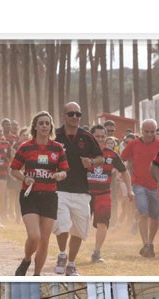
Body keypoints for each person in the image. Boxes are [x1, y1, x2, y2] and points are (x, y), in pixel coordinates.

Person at [10, 111, 68, 275]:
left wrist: (59, 175)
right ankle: (27, 259)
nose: (44, 126)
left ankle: (37, 275)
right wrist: (24, 178)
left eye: (47, 123)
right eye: (41, 123)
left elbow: (64, 171)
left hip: (50, 197)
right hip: (30, 196)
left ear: (51, 127)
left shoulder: (57, 148)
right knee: (34, 236)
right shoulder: (26, 147)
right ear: (34, 126)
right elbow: (14, 170)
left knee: (44, 240)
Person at [53, 103, 103, 275]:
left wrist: (92, 162)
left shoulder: (86, 137)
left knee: (79, 231)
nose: (75, 117)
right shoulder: (55, 135)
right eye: (71, 114)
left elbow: (100, 158)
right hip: (59, 189)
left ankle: (71, 264)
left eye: (78, 114)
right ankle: (61, 254)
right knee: (63, 225)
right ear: (64, 116)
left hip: (82, 191)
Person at [87, 123, 132, 263]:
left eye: (102, 136)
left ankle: (96, 252)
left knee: (103, 223)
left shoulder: (112, 154)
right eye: (97, 136)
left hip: (104, 194)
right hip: (85, 195)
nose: (100, 139)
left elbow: (124, 172)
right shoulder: (83, 152)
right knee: (81, 225)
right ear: (91, 137)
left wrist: (130, 189)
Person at [122, 120, 159, 259]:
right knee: (143, 213)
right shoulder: (134, 144)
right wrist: (121, 173)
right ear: (141, 130)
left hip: (156, 186)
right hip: (138, 184)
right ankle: (145, 244)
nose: (150, 134)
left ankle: (150, 243)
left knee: (155, 217)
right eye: (147, 131)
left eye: (152, 131)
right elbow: (122, 158)